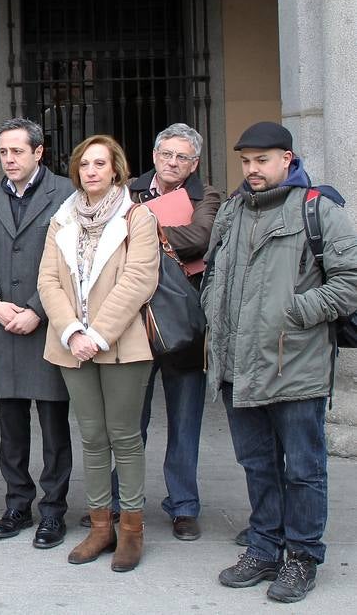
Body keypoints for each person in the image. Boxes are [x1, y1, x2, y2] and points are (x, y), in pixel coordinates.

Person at [205, 122, 357, 604]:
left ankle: (303, 556)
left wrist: (295, 310)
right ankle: (265, 546)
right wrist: (213, 307)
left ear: (286, 160)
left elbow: (350, 280)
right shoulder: (231, 211)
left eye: (263, 160)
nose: (252, 169)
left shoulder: (319, 209)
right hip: (237, 366)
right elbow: (212, 273)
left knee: (304, 469)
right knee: (257, 465)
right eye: (246, 160)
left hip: (295, 366)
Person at [37, 134, 159, 573]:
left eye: (99, 164)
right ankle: (100, 525)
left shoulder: (136, 216)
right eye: (84, 164)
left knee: (124, 437)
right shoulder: (61, 218)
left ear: (115, 170)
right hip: (72, 345)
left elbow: (139, 280)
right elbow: (47, 280)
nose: (91, 171)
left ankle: (131, 529)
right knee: (91, 437)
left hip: (121, 345)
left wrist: (98, 334)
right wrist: (72, 331)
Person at [112, 122, 222, 541]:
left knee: (186, 418)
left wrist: (140, 235)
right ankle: (122, 502)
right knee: (127, 421)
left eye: (182, 157)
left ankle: (184, 506)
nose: (173, 162)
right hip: (133, 322)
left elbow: (201, 237)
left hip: (185, 322)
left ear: (194, 163)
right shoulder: (127, 189)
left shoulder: (208, 196)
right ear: (154, 155)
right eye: (166, 154)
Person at [0, 118, 75, 549]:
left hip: (48, 325)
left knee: (54, 427)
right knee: (10, 429)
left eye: (17, 151)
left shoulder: (66, 195)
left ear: (39, 152)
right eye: (3, 152)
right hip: (2, 326)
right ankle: (17, 503)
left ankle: (53, 510)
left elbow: (73, 262)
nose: (9, 159)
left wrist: (37, 309)